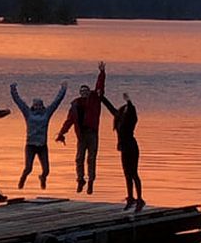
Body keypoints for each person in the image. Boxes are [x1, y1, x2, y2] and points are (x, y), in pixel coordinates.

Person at [55, 61, 105, 193]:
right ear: (80, 92)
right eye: (82, 91)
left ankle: (91, 181)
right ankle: (80, 179)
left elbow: (100, 86)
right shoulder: (75, 105)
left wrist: (102, 73)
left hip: (92, 133)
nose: (84, 92)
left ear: (89, 92)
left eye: (86, 91)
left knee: (91, 158)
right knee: (79, 158)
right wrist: (61, 133)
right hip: (81, 135)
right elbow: (69, 121)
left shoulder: (95, 99)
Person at [10, 80, 68, 190]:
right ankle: (23, 178)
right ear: (33, 106)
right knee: (28, 168)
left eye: (40, 105)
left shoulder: (47, 113)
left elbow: (57, 102)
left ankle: (42, 177)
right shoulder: (28, 113)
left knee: (46, 170)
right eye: (36, 105)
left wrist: (63, 89)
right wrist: (13, 90)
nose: (38, 107)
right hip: (30, 145)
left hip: (42, 146)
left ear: (43, 106)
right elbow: (19, 102)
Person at [101, 90, 144, 212]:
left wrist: (129, 101)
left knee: (134, 173)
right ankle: (130, 198)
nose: (124, 110)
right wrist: (101, 97)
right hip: (124, 149)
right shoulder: (118, 118)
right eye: (123, 109)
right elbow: (110, 108)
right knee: (127, 174)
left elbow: (131, 109)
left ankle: (140, 200)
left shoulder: (130, 120)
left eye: (126, 110)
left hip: (132, 147)